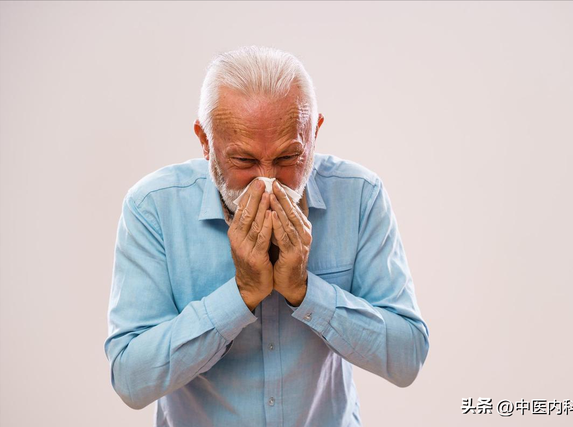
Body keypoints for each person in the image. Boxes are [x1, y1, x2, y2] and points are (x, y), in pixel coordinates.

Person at [104, 46, 429, 427]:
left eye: (288, 157)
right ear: (205, 141)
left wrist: (306, 292)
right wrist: (240, 295)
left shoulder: (360, 195)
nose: (268, 181)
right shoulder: (152, 207)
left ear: (314, 134)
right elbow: (131, 379)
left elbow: (407, 358)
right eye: (243, 161)